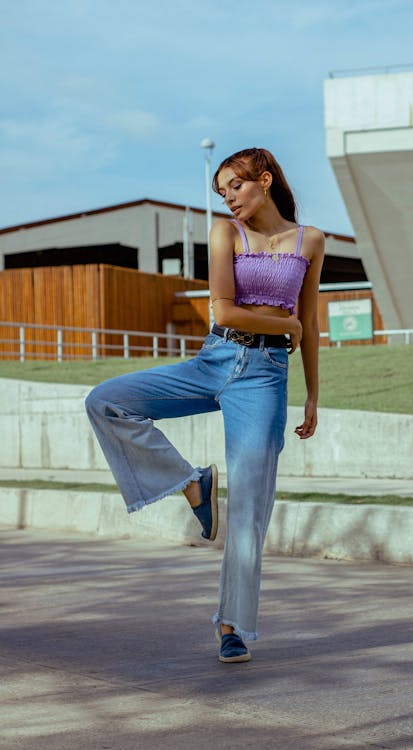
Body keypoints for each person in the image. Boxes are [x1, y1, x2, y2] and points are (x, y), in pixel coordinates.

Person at [85, 147, 324, 663]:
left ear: (263, 180)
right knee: (106, 401)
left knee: (250, 509)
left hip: (264, 378)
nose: (229, 198)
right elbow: (224, 307)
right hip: (214, 358)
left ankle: (231, 626)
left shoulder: (312, 241)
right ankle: (191, 482)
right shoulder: (225, 234)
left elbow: (312, 323)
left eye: (235, 186)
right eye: (221, 192)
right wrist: (285, 326)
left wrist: (313, 394)